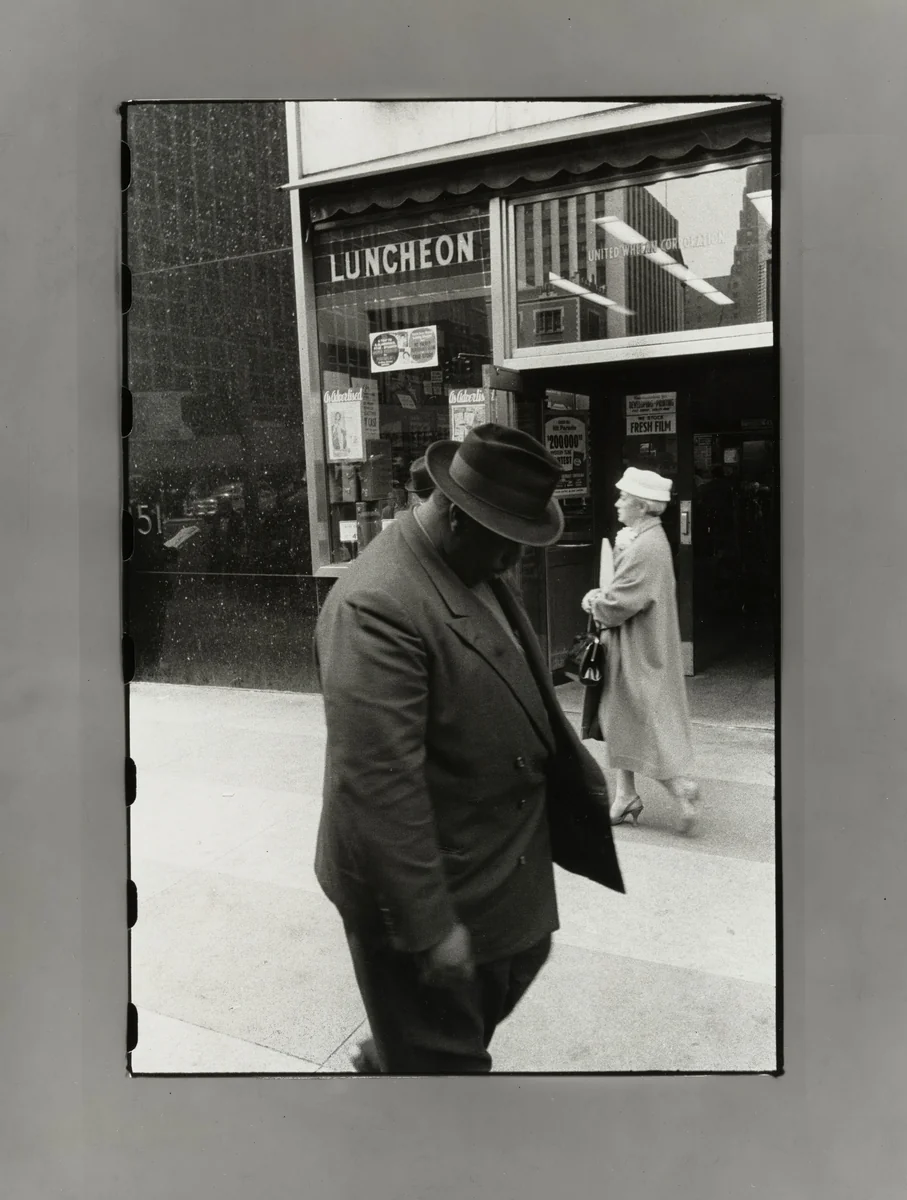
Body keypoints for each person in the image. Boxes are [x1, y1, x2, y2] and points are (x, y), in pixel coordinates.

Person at [314, 423, 624, 1074]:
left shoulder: (469, 559)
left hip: (495, 862)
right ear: (455, 515)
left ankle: (404, 1057)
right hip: (428, 888)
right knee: (449, 1071)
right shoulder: (376, 603)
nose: (514, 563)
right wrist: (428, 927)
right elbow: (376, 784)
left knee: (503, 975)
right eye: (506, 545)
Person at [580, 467, 699, 834]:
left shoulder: (645, 547)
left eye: (624, 498)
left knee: (639, 721)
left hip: (637, 649)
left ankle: (679, 789)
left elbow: (622, 600)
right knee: (623, 720)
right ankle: (625, 795)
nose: (618, 503)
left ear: (643, 507)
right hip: (639, 645)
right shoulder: (645, 539)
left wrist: (593, 601)